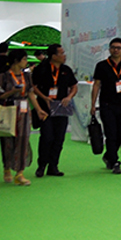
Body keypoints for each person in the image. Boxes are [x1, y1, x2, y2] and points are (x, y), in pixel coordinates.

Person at [0, 50, 45, 186]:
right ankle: (7, 167)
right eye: (24, 59)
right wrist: (13, 91)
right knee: (7, 140)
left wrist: (38, 110)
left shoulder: (27, 76)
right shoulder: (4, 76)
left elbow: (30, 93)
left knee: (23, 139)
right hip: (8, 109)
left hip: (24, 110)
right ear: (16, 61)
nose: (26, 62)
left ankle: (20, 173)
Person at [31, 43, 78, 178]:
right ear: (53, 56)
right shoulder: (41, 69)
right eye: (61, 53)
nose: (64, 56)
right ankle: (42, 165)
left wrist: (69, 97)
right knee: (47, 137)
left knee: (59, 138)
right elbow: (33, 86)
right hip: (45, 108)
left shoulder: (66, 70)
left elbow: (74, 86)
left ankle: (53, 166)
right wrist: (44, 97)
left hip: (61, 108)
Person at [90, 38, 121, 174]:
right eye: (113, 47)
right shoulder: (102, 65)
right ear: (109, 49)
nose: (116, 50)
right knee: (111, 133)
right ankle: (114, 161)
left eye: (118, 48)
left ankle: (109, 155)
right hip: (106, 104)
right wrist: (93, 104)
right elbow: (97, 85)